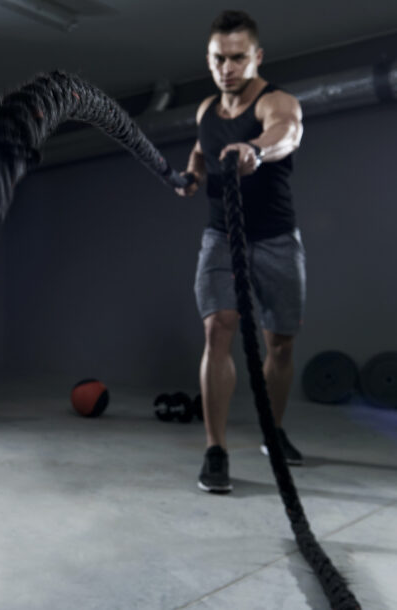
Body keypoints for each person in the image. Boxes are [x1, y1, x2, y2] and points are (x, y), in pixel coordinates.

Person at [175, 10, 306, 493]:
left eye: (237, 58)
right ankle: (216, 450)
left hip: (274, 236)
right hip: (221, 235)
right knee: (218, 329)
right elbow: (200, 147)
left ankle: (273, 433)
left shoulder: (277, 101)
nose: (227, 68)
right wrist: (193, 175)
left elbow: (286, 133)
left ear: (257, 57)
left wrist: (256, 149)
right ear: (209, 60)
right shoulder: (207, 109)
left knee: (281, 343)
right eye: (218, 59)